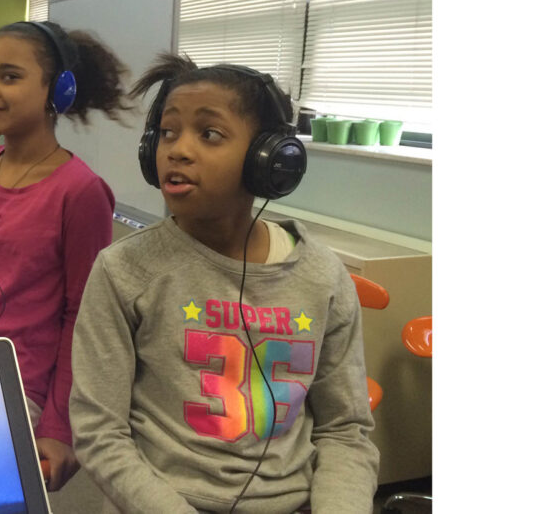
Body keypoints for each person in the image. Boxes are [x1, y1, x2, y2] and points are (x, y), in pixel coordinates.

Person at [69, 52, 379, 513]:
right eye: (167, 132)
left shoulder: (322, 276)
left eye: (209, 134)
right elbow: (99, 432)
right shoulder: (124, 270)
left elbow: (345, 430)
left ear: (268, 160)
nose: (177, 150)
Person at [0, 20, 132, 492]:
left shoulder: (81, 192)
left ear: (59, 90)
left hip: (14, 379)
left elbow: (82, 318)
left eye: (9, 77)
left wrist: (58, 426)